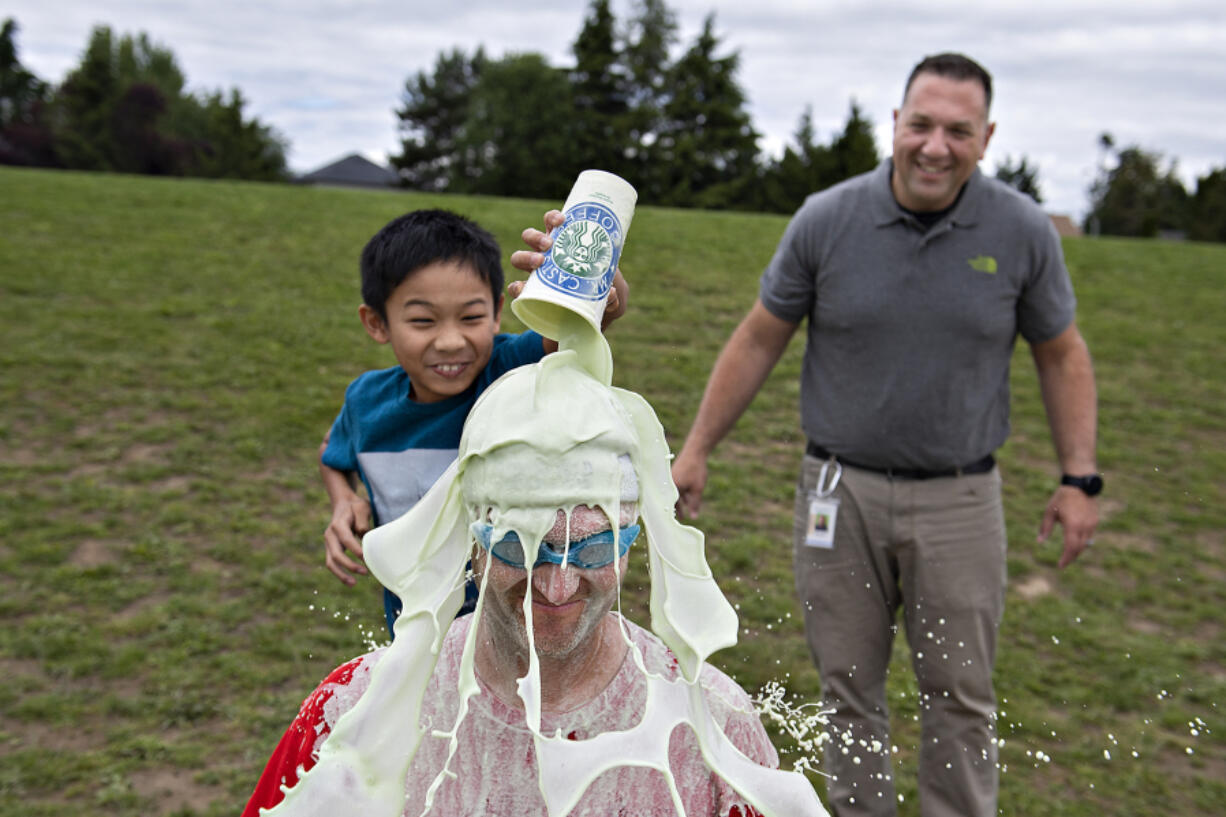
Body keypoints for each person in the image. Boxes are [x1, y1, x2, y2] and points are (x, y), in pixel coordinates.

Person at [670, 53, 1100, 817]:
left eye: (958, 131)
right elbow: (760, 336)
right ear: (895, 124)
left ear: (986, 136)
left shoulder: (1022, 230)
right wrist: (698, 446)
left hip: (961, 498)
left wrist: (1078, 477)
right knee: (848, 689)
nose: (936, 146)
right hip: (839, 492)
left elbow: (1061, 352)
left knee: (960, 696)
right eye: (922, 124)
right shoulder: (827, 219)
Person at [246, 350, 826, 817]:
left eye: (594, 546)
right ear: (471, 538)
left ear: (631, 541)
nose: (555, 587)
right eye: (518, 549)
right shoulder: (357, 714)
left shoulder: (713, 734)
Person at [318, 208, 627, 636]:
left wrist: (598, 289)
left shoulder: (510, 370)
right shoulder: (365, 401)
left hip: (525, 626)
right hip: (417, 627)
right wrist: (343, 500)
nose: (451, 341)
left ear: (498, 312)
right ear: (377, 323)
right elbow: (333, 454)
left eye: (471, 317)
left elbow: (580, 328)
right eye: (423, 320)